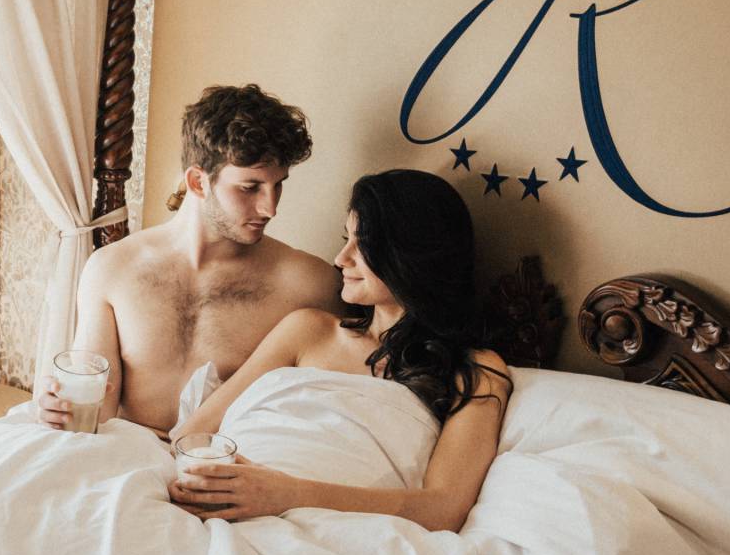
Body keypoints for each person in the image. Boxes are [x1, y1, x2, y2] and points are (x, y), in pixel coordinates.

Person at [167, 169, 512, 534]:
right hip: (217, 513)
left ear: (412, 255)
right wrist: (199, 480)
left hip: (337, 531)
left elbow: (442, 508)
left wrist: (287, 493)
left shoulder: (476, 371)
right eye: (346, 239)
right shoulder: (307, 330)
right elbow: (194, 433)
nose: (340, 258)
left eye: (361, 245)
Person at [37, 83, 341, 436]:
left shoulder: (308, 283)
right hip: (125, 456)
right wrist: (57, 406)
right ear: (198, 182)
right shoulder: (112, 269)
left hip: (226, 468)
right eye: (250, 187)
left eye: (278, 185)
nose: (270, 208)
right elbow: (94, 412)